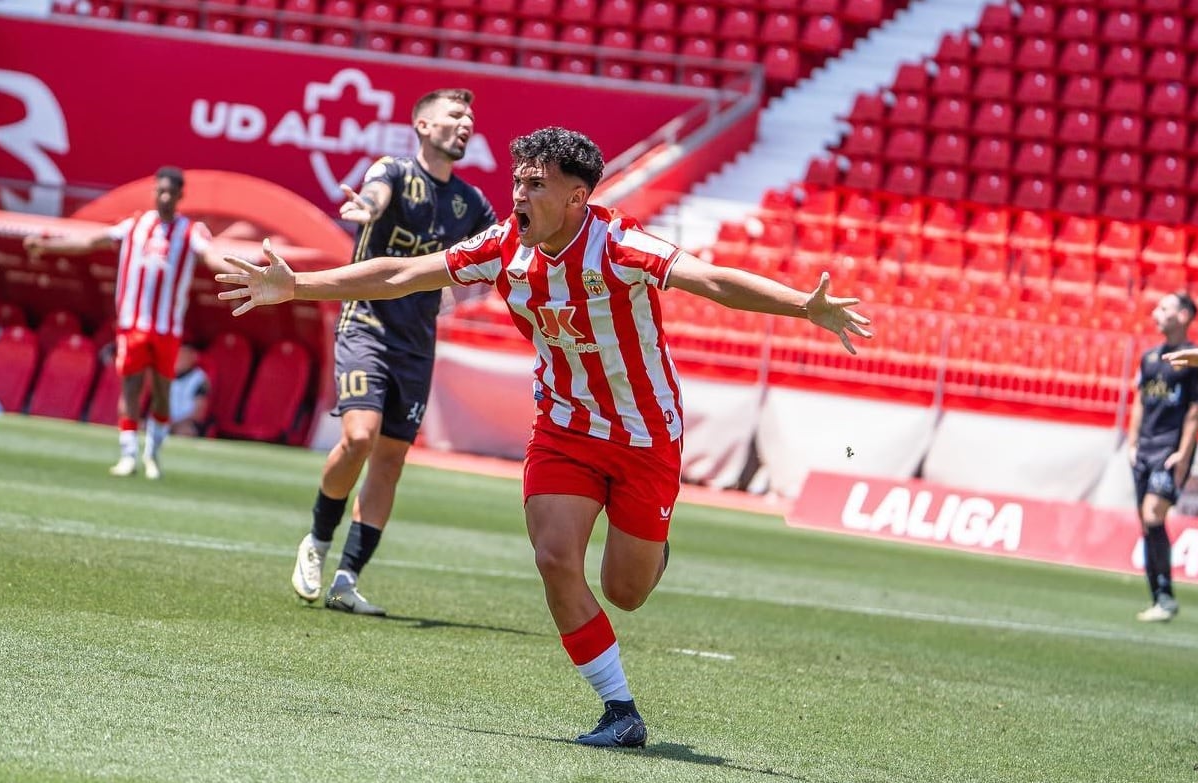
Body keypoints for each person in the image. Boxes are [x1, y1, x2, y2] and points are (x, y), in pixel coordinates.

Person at [216, 127, 872, 748]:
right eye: (518, 182)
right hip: (562, 428)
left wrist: (800, 304)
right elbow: (398, 274)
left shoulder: (620, 246)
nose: (519, 195)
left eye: (535, 185)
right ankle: (620, 710)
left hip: (644, 436)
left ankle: (651, 547)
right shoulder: (504, 245)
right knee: (555, 558)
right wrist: (297, 285)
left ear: (576, 197)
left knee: (626, 590)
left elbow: (711, 280)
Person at [290, 88, 497, 617]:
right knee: (359, 438)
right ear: (424, 126)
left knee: (391, 459)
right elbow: (376, 193)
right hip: (367, 325)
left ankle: (346, 578)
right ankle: (315, 540)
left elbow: (495, 254)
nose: (466, 123)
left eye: (470, 117)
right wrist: (367, 206)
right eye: (455, 115)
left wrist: (461, 291)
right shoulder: (395, 171)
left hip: (417, 343)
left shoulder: (472, 204)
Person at [23, 166, 230, 480]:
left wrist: (239, 272)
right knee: (131, 387)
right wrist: (48, 245)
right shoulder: (135, 225)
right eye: (160, 191)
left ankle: (154, 452)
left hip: (167, 327)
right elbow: (91, 241)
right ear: (154, 192)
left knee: (161, 391)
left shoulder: (190, 231)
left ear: (179, 196)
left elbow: (211, 256)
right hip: (133, 323)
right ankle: (128, 454)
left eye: (170, 193)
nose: (164, 197)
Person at [1126, 292, 1198, 623]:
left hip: (1169, 451)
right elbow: (1141, 401)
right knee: (1146, 523)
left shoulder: (1192, 360)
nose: (1156, 313)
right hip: (1144, 448)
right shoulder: (1149, 358)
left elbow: (1195, 411)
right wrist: (1131, 444)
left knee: (1154, 514)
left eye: (1164, 308)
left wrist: (1184, 454)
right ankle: (1161, 596)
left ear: (1184, 315)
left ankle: (1165, 597)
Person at [168, 343, 210, 437]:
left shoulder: (200, 379)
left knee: (184, 431)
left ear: (193, 358)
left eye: (184, 356)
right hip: (166, 421)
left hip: (186, 423)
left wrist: (175, 424)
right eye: (178, 355)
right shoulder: (167, 375)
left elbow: (198, 413)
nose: (180, 359)